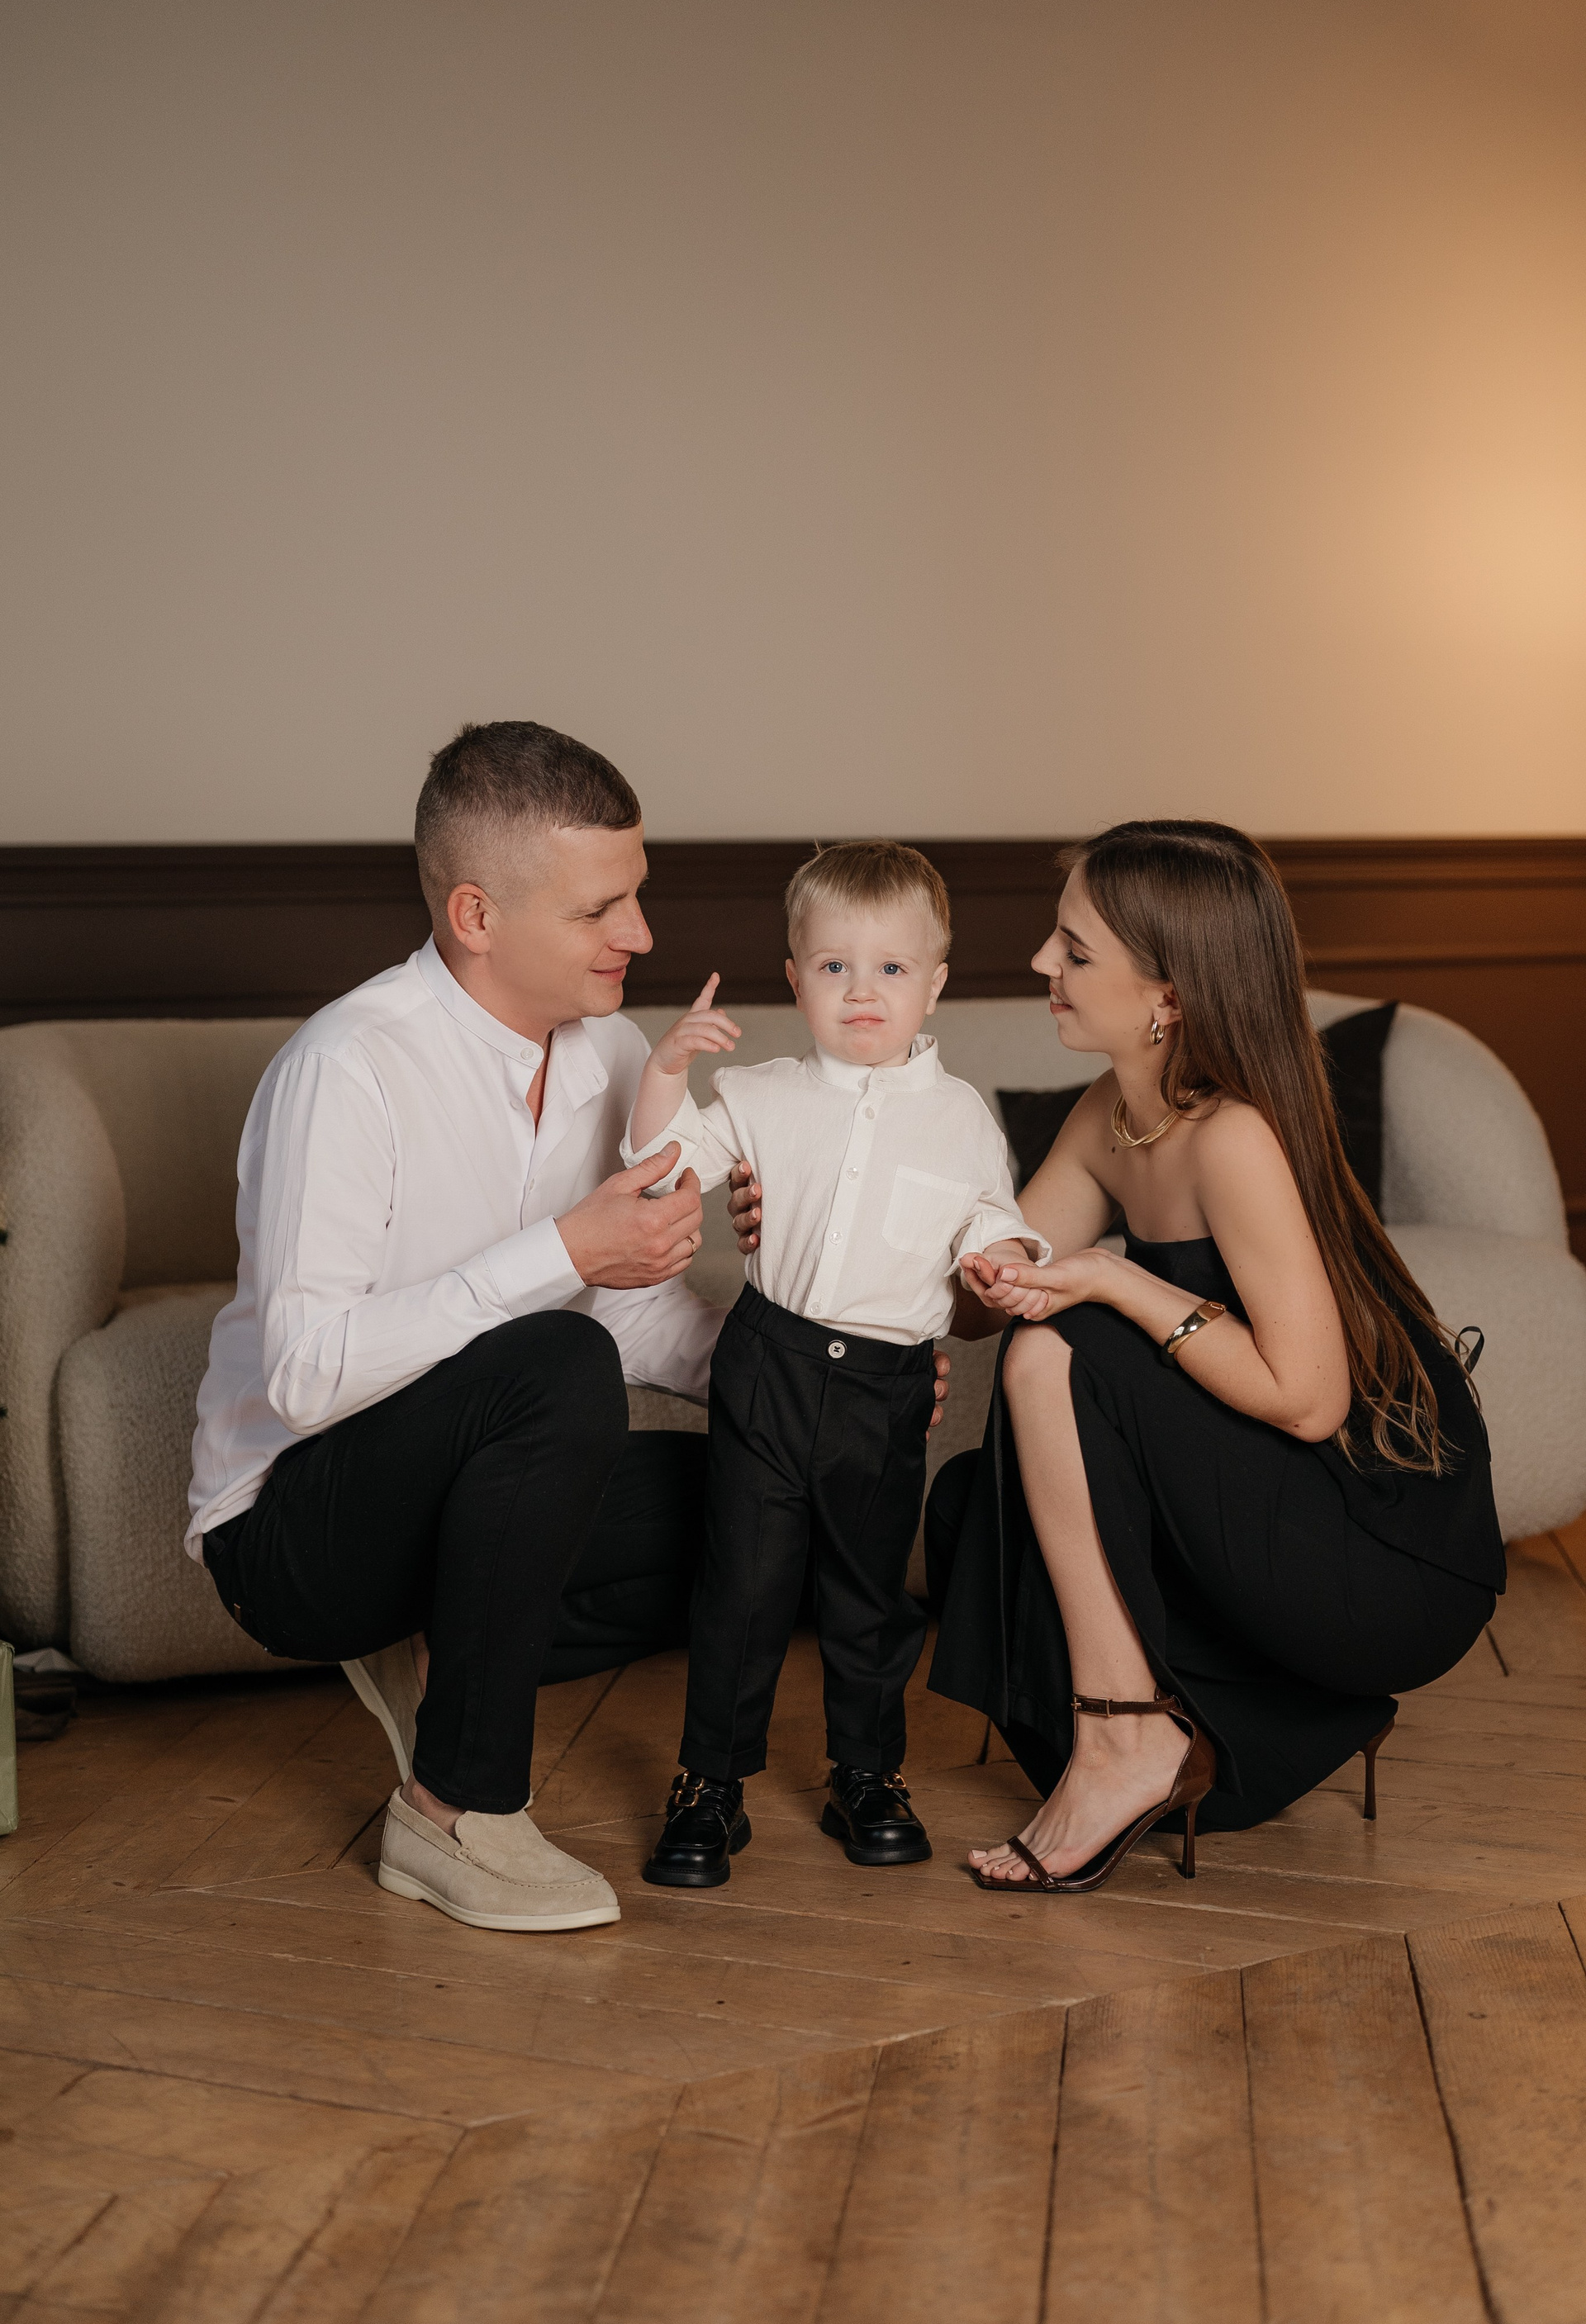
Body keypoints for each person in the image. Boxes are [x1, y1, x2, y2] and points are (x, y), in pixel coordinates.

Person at [731, 820, 1504, 1892]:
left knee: (1064, 1346)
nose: (1041, 961)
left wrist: (1113, 1278)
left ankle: (1125, 1735)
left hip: (1382, 1548)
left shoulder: (1233, 1134)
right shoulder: (1112, 1113)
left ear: (1168, 995)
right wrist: (827, 1223)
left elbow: (1308, 1400)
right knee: (971, 1505)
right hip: (1268, 1499)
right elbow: (979, 1303)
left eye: (1075, 948)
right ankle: (1258, 1726)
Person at [188, 723, 723, 1936]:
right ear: (478, 915)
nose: (641, 934)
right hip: (293, 1524)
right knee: (557, 1360)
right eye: (601, 909)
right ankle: (451, 1809)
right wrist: (564, 1252)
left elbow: (628, 1311)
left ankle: (448, 1642)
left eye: (637, 894)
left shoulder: (612, 1050)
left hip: (468, 1490)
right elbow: (307, 1375)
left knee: (763, 1480)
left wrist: (784, 1378)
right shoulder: (347, 1066)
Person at [626, 842, 1047, 1888]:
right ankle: (710, 1784)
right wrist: (666, 1069)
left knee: (869, 1595)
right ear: (794, 979)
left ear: (934, 984)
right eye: (834, 967)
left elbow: (990, 1220)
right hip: (766, 1361)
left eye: (892, 968)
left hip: (887, 1386)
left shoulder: (960, 1118)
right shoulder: (759, 1094)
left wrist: (1001, 1258)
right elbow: (663, 1168)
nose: (863, 991)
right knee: (743, 1584)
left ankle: (867, 1773)